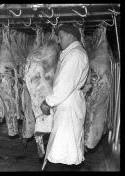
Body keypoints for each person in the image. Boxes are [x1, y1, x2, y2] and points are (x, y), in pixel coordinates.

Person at [40, 24, 89, 171]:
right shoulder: (72, 53)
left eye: (60, 37)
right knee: (65, 149)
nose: (59, 41)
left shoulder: (76, 55)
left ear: (70, 35)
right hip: (67, 104)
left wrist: (47, 102)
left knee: (62, 150)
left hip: (68, 106)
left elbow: (64, 85)